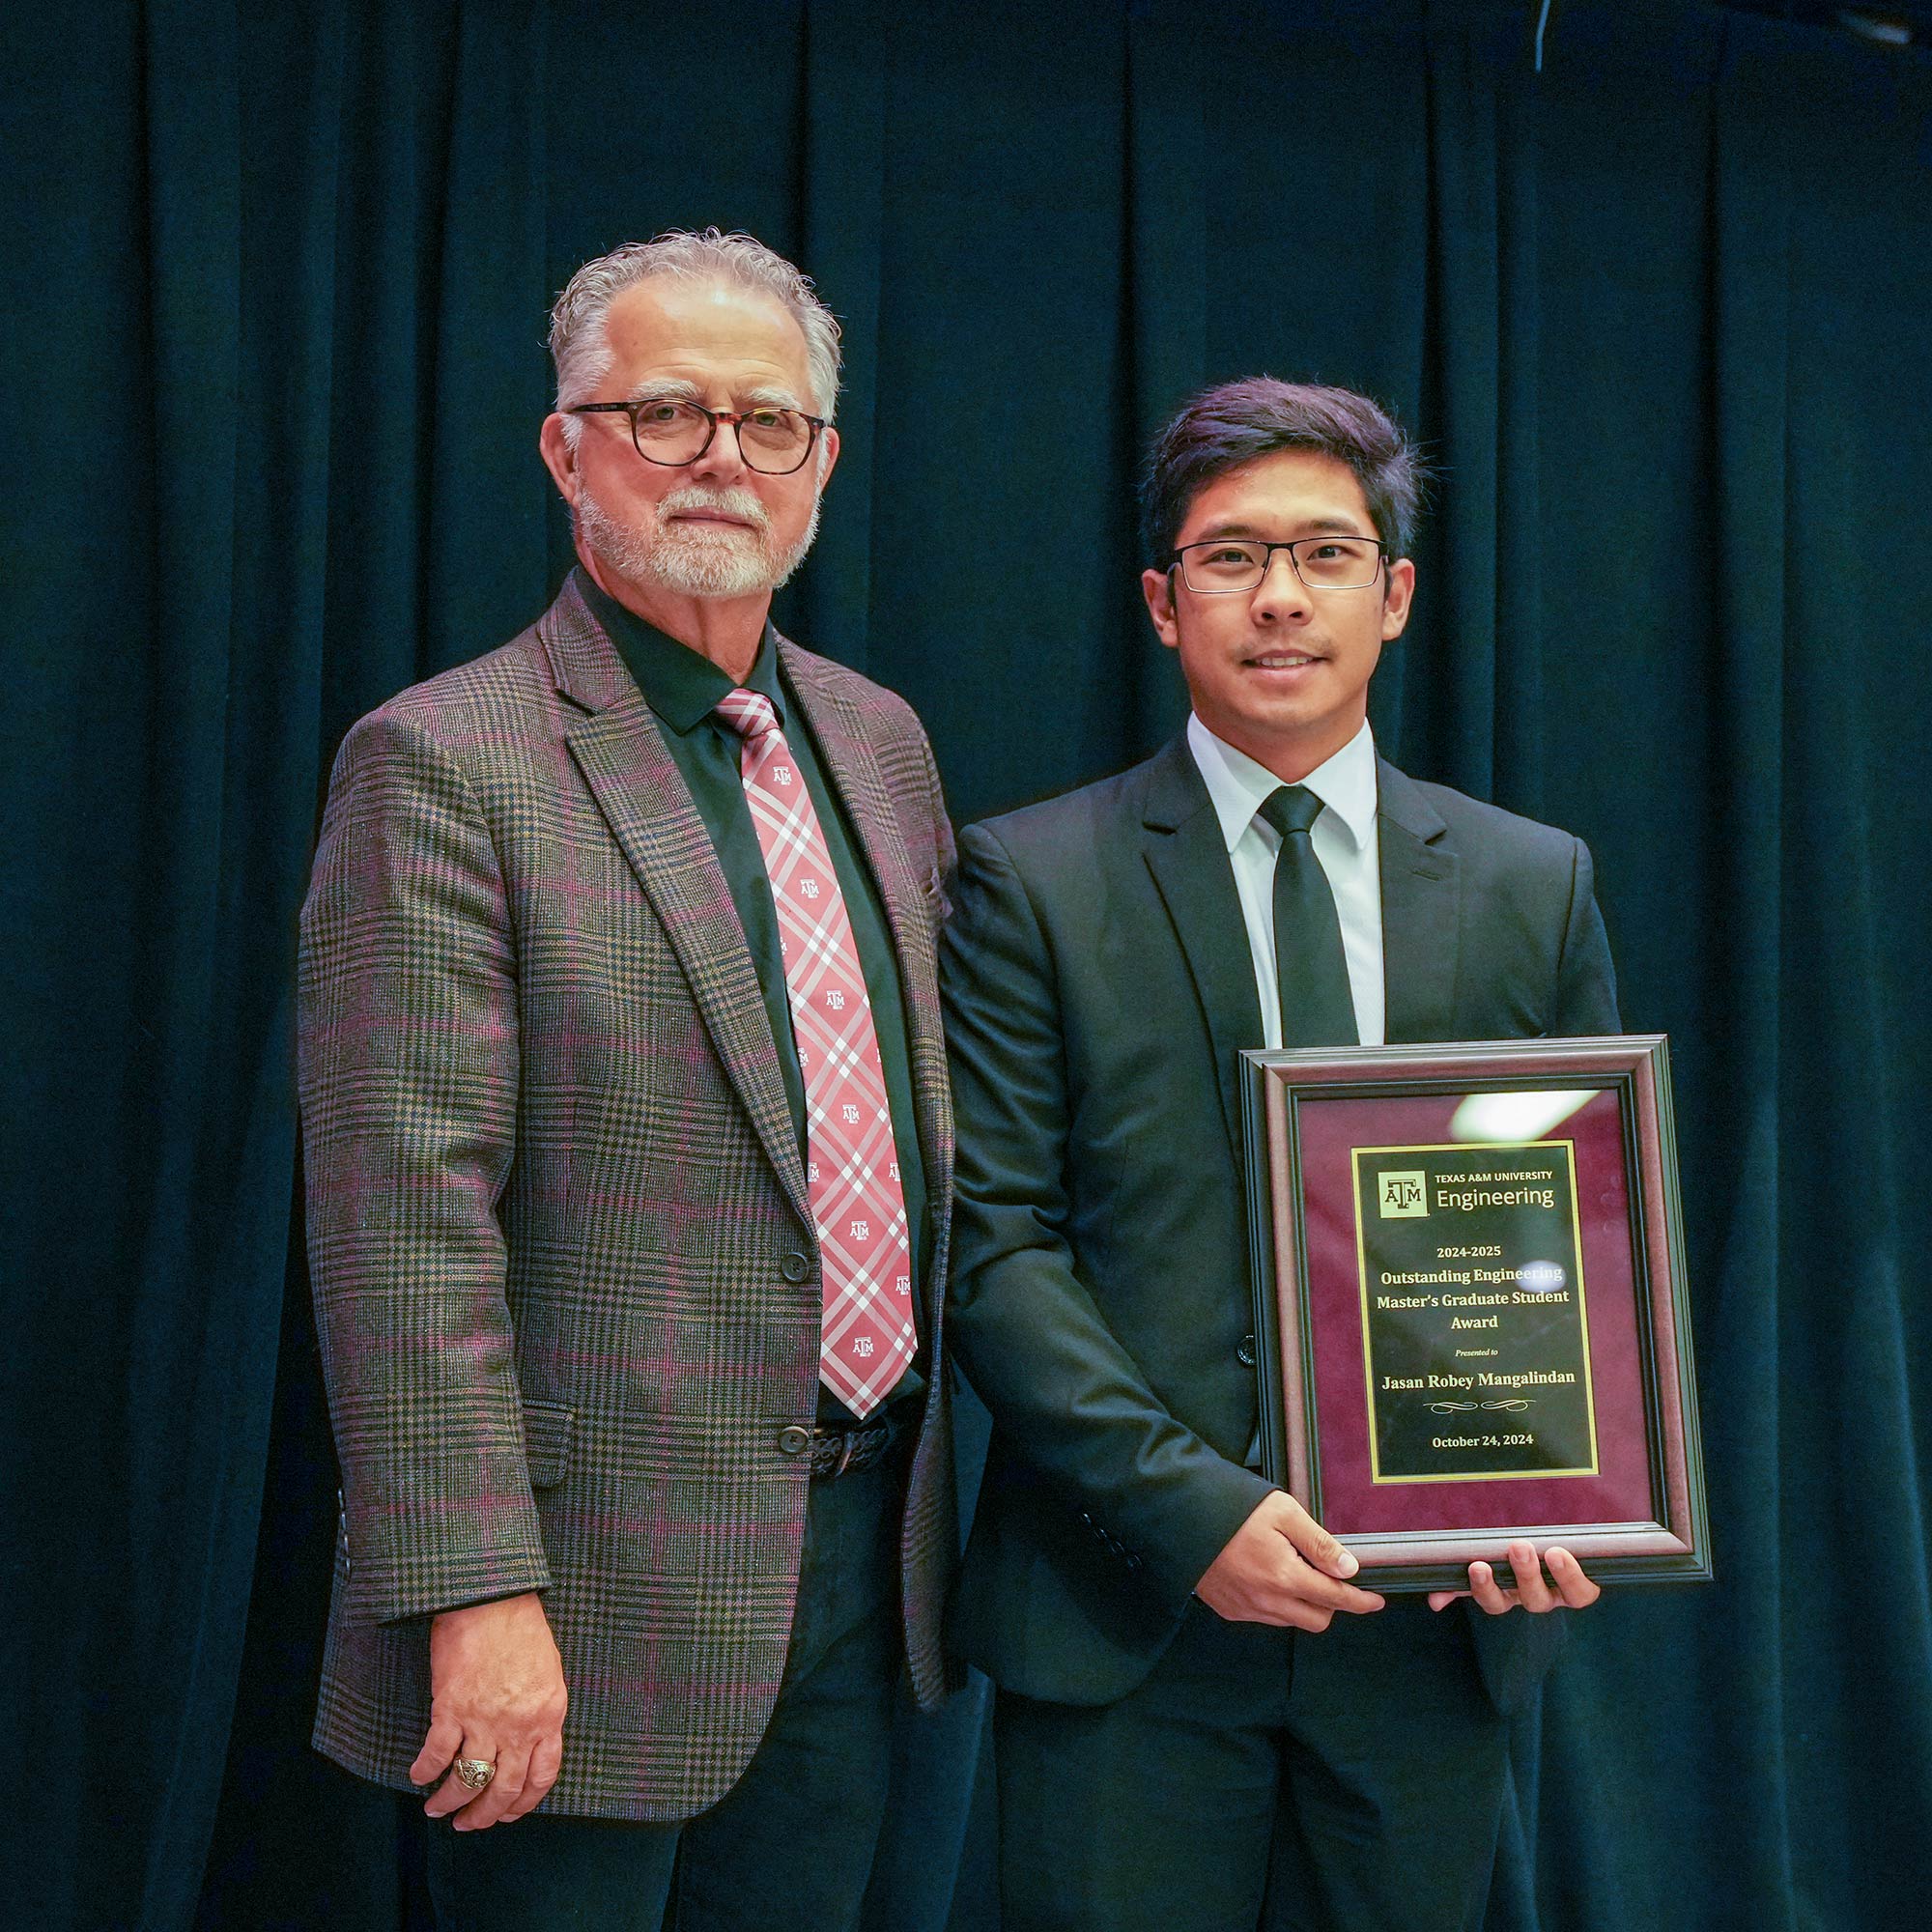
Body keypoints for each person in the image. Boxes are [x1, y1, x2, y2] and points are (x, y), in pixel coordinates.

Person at [298, 230, 957, 1932]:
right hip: (572, 1612)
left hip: (866, 1575)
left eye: (770, 421)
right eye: (664, 412)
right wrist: (476, 1593)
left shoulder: (877, 743)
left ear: (825, 461)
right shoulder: (444, 759)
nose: (722, 457)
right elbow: (401, 1224)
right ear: (562, 445)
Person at [940, 379, 1613, 1932]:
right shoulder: (1030, 877)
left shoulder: (1531, 884)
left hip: (1432, 1629)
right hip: (1135, 1612)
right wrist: (1194, 1515)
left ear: (1396, 595)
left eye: (1324, 552)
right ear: (1165, 604)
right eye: (1233, 558)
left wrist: (1560, 1485)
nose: (1281, 598)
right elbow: (997, 1242)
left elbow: (1576, 1231)